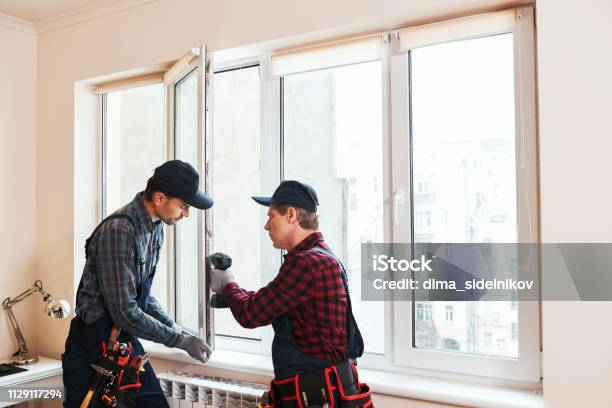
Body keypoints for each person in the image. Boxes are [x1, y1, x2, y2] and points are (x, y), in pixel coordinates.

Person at [62, 160, 213, 408]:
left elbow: (142, 295)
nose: (186, 213)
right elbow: (125, 312)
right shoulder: (119, 231)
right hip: (93, 350)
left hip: (123, 344)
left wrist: (176, 329)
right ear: (160, 198)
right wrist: (178, 340)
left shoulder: (156, 228)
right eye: (183, 205)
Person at [211, 180, 373, 407]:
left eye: (270, 216)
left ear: (290, 215)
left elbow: (251, 314)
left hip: (317, 395)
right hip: (325, 390)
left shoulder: (307, 264)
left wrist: (228, 284)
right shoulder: (323, 256)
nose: (266, 226)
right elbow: (271, 300)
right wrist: (232, 295)